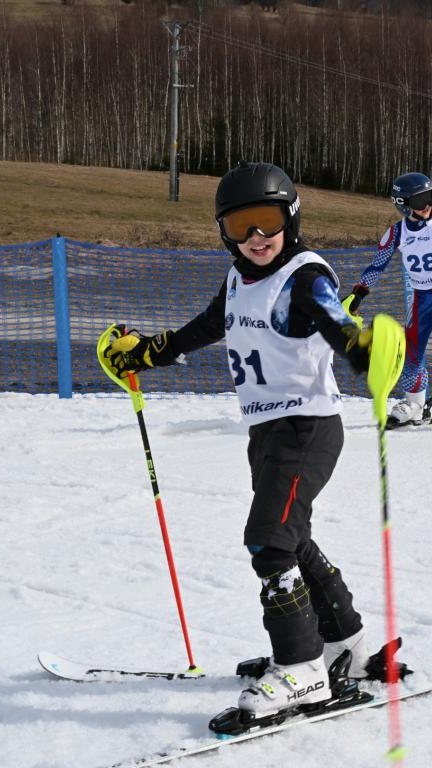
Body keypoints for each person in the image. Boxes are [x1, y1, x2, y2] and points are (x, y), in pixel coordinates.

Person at [104, 161, 391, 717]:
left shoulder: (306, 276)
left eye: (267, 221)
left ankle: (302, 668)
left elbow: (335, 321)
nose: (256, 238)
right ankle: (345, 647)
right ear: (224, 233)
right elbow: (209, 326)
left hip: (307, 427)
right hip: (267, 429)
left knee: (269, 539)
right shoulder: (239, 277)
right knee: (291, 535)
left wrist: (360, 347)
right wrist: (146, 351)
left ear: (292, 218)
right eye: (240, 227)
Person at [347, 172, 432, 429]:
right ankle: (416, 405)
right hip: (422, 299)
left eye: (430, 197)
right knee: (410, 355)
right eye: (420, 201)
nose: (427, 205)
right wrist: (358, 293)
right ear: (404, 205)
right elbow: (376, 266)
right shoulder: (397, 233)